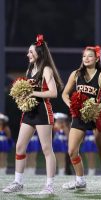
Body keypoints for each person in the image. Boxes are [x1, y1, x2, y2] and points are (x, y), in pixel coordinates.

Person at [2, 34, 64, 194]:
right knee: (20, 146)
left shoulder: (47, 69)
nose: (28, 54)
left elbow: (53, 93)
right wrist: (22, 95)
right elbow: (30, 90)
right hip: (29, 112)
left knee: (46, 149)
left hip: (43, 112)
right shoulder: (30, 68)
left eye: (31, 52)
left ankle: (49, 186)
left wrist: (32, 94)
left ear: (39, 53)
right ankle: (17, 182)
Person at [61, 45, 101, 191]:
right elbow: (64, 94)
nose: (86, 58)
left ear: (97, 58)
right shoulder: (76, 74)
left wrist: (96, 107)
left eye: (90, 56)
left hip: (95, 116)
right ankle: (80, 180)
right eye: (84, 56)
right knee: (72, 151)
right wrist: (71, 105)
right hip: (79, 116)